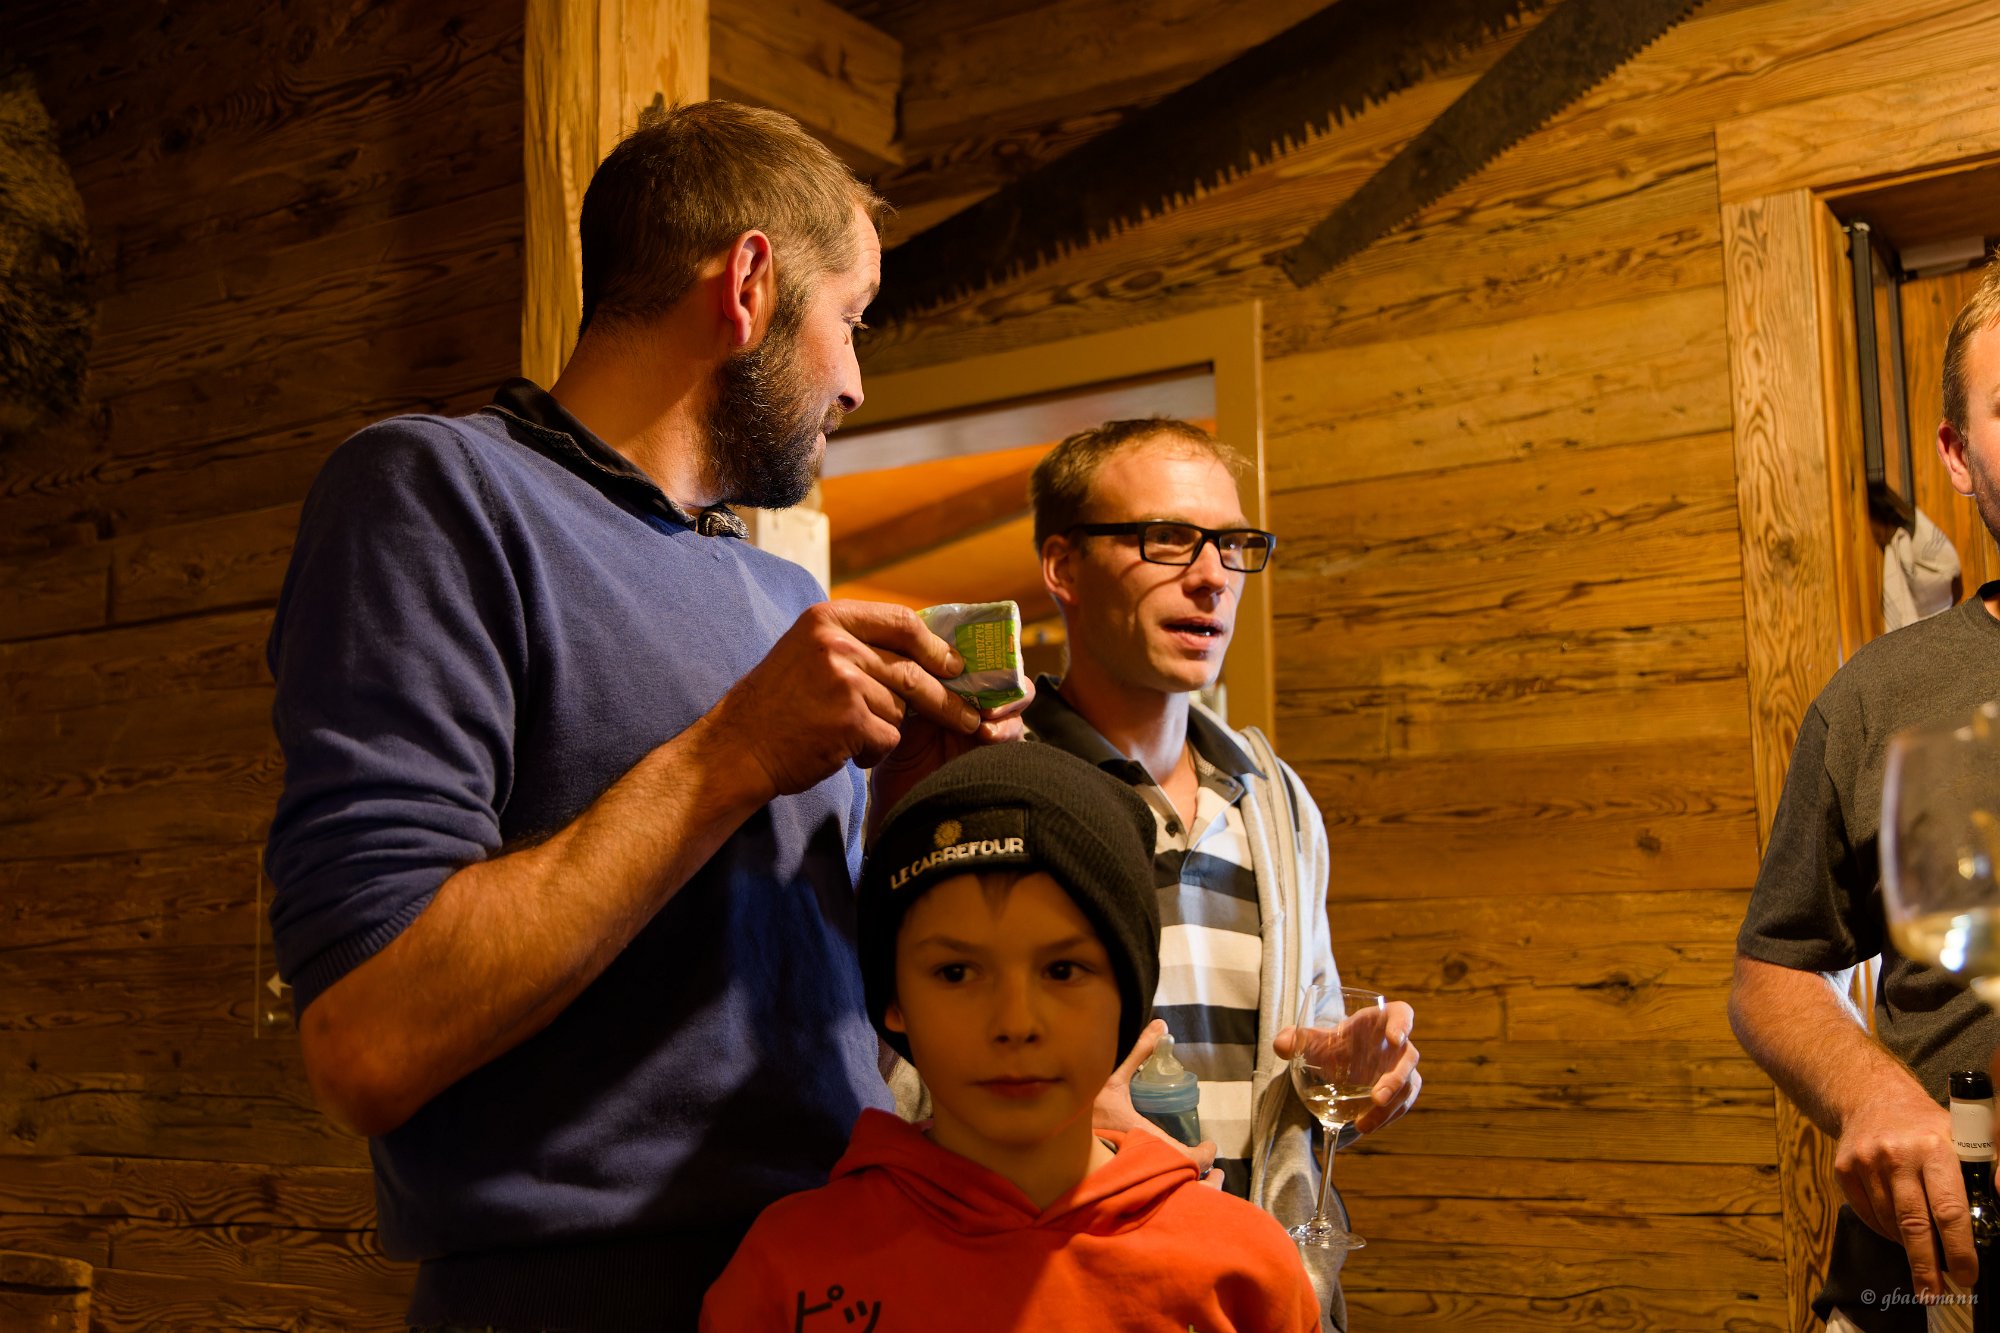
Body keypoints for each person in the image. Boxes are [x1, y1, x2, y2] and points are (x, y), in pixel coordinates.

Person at [262, 102, 1023, 1333]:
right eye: (850, 319)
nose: (855, 380)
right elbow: (367, 1039)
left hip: (834, 1280)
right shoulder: (434, 490)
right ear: (750, 285)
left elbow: (815, 1036)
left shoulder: (782, 595)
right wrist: (734, 750)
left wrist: (897, 815)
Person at [699, 742, 1325, 1332]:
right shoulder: (788, 1269)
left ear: (1129, 994)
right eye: (956, 972)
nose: (1016, 1023)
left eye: (1063, 970)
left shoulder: (1246, 1266)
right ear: (894, 1000)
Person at [1021, 418, 1422, 1329]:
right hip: (1062, 1290)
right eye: (1168, 539)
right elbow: (902, 1074)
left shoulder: (1275, 801)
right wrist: (1055, 1126)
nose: (1212, 576)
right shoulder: (995, 782)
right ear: (1063, 566)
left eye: (1233, 545)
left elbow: (1301, 1049)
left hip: (1255, 1294)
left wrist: (1353, 1068)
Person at [1731, 253, 2000, 1333]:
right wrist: (1869, 1086)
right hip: (1933, 1282)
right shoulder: (1879, 696)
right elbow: (1774, 969)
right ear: (1957, 454)